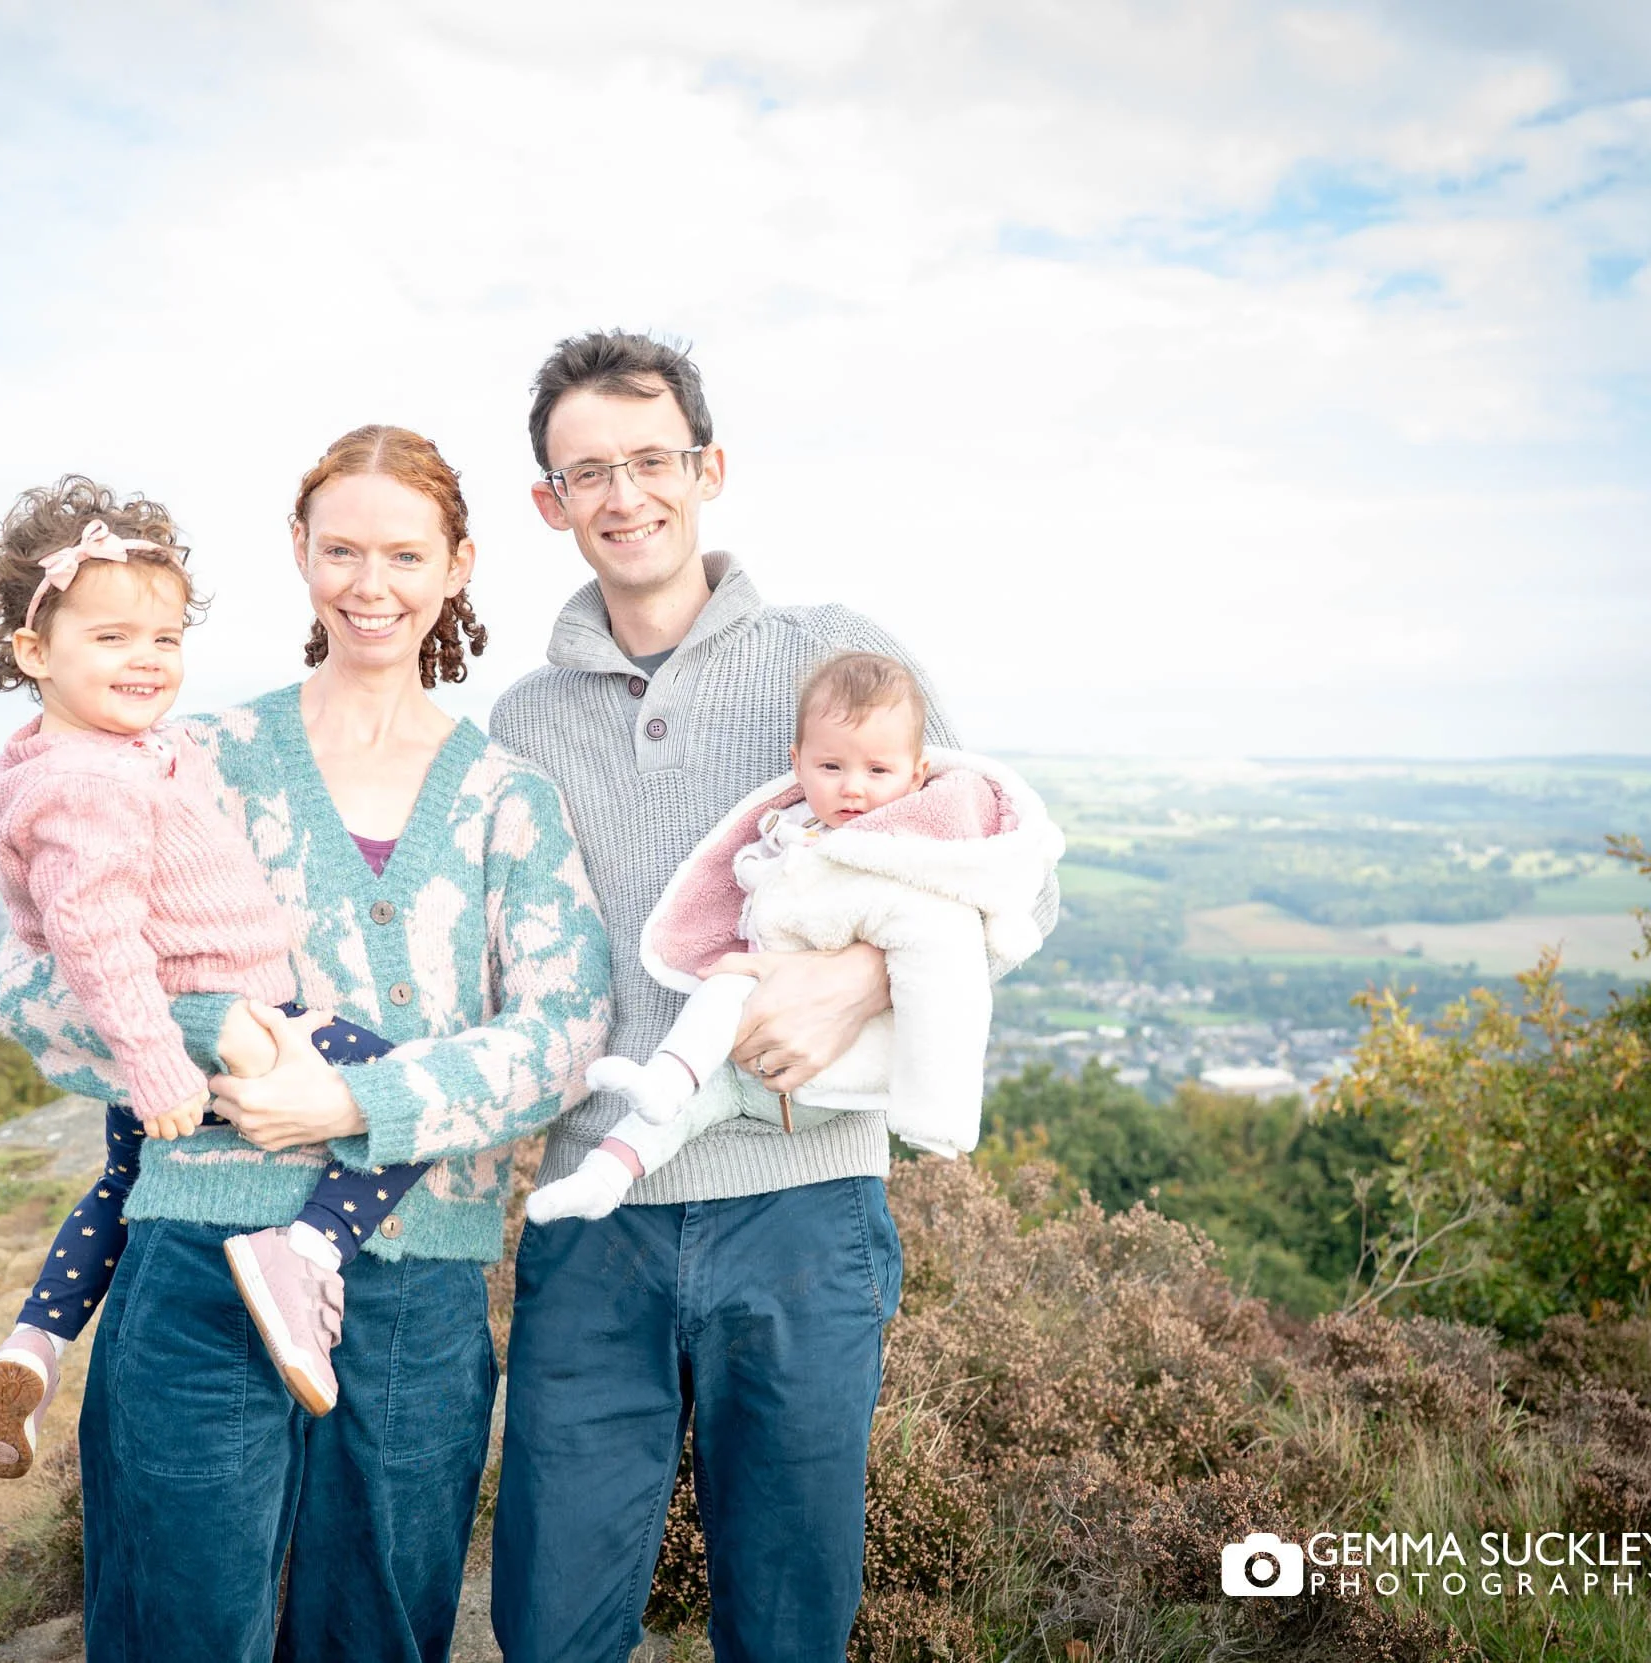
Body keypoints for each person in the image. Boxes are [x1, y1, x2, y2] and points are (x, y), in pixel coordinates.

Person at [0, 426, 614, 1662]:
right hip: (197, 1258)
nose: (368, 583)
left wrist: (351, 1102)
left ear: (458, 564)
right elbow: (29, 984)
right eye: (340, 549)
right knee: (179, 1624)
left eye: (402, 552)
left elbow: (565, 1031)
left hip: (415, 1285)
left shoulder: (507, 798)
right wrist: (223, 1037)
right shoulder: (186, 756)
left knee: (371, 1634)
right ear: (300, 555)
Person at [488, 332, 1060, 1662]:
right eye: (588, 471)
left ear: (708, 468)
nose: (625, 495)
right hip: (598, 1213)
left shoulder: (836, 653)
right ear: (549, 502)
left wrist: (861, 974)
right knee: (550, 1618)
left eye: (651, 460)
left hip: (806, 1207)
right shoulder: (522, 722)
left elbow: (1009, 874)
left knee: (790, 1620)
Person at [0, 476, 441, 1483]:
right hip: (221, 1025)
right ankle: (302, 1253)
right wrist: (162, 1056)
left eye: (165, 640)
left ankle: (29, 1349)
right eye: (113, 638)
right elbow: (90, 933)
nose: (147, 661)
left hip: (173, 1043)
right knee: (406, 1095)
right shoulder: (89, 784)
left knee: (120, 1182)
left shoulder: (75, 756)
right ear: (34, 652)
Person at [526, 650, 1063, 1224]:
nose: (853, 788)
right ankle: (605, 1172)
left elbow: (949, 959)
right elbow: (754, 878)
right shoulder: (797, 827)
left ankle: (667, 1080)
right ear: (798, 763)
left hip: (827, 1090)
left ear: (917, 774)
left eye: (877, 772)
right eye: (830, 768)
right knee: (673, 1109)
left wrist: (935, 1114)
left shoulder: (909, 860)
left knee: (729, 989)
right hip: (739, 1068)